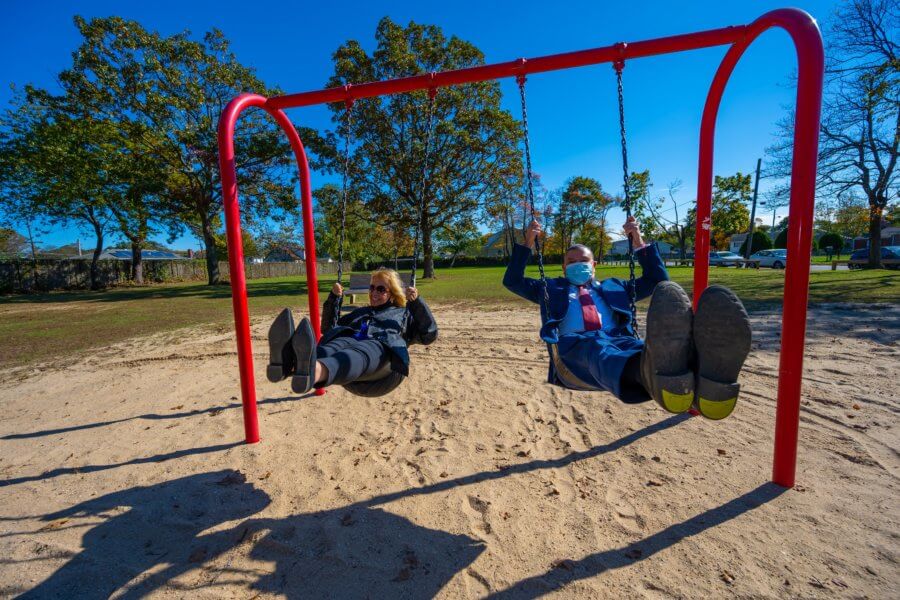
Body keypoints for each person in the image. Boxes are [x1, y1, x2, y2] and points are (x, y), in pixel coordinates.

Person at [503, 218, 751, 420]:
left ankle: (709, 383)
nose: (577, 265)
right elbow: (513, 281)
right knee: (599, 349)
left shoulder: (615, 288)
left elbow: (658, 280)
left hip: (620, 341)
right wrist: (528, 242)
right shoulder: (550, 288)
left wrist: (639, 241)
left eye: (583, 261)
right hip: (574, 352)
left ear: (594, 265)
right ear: (563, 266)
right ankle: (652, 376)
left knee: (645, 348)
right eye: (571, 262)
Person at [267, 267, 437, 395]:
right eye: (372, 288)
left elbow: (428, 334)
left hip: (384, 360)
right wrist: (334, 299)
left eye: (381, 289)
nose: (374, 293)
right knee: (337, 343)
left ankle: (316, 371)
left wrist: (416, 303)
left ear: (392, 294)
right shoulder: (361, 312)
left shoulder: (403, 313)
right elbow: (328, 329)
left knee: (362, 350)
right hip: (354, 353)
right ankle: (287, 365)